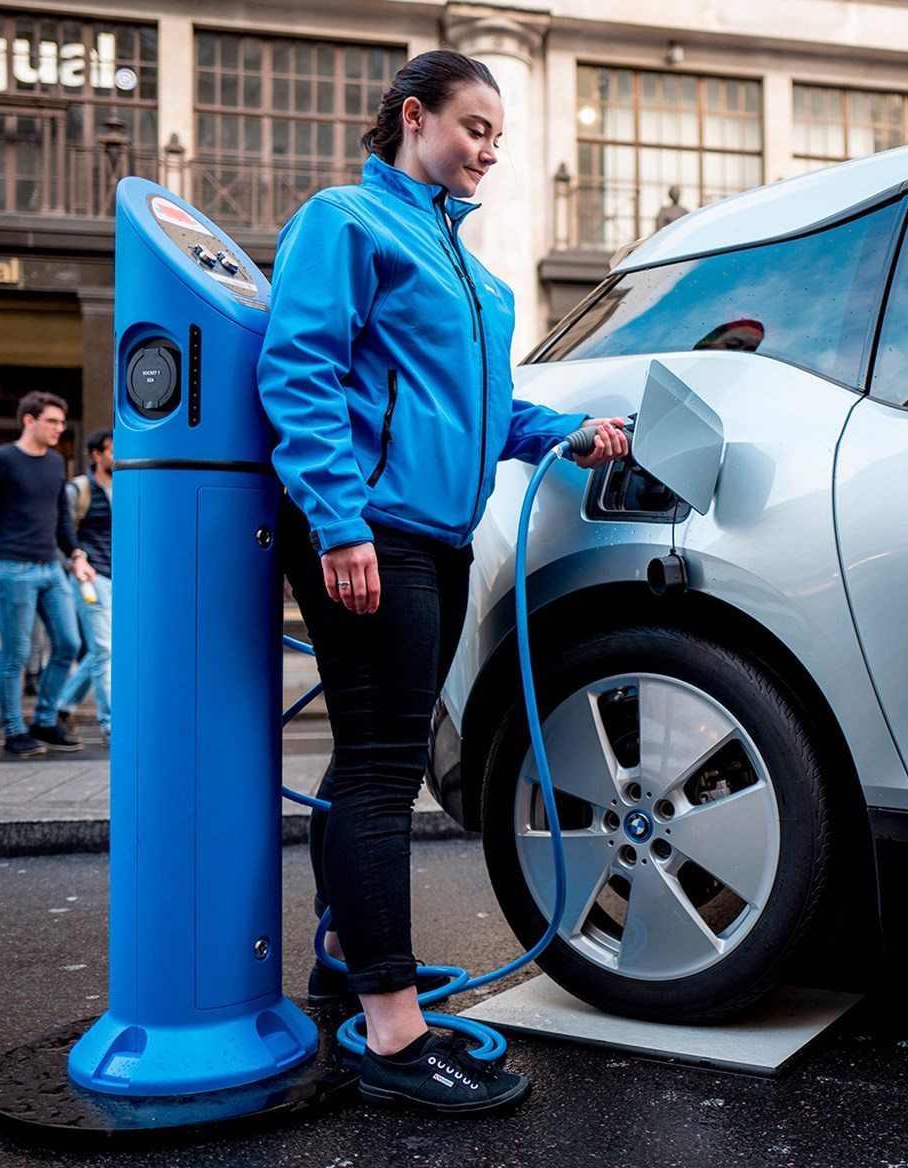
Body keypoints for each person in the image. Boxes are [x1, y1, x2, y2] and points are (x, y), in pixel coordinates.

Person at [257, 50, 629, 1115]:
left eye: (497, 135)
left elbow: (489, 410)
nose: (490, 149)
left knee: (374, 758)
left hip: (436, 536)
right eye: (473, 127)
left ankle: (344, 957)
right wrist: (336, 520)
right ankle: (391, 1031)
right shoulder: (347, 222)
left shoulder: (478, 273)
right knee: (381, 769)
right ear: (412, 118)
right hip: (369, 530)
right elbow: (301, 370)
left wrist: (570, 430)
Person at [0, 391, 95, 756]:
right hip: (12, 568)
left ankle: (44, 721)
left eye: (61, 422)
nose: (59, 428)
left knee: (69, 644)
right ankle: (13, 730)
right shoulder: (0, 460)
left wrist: (75, 554)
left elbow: (61, 519)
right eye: (52, 421)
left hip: (51, 569)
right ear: (29, 420)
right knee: (17, 653)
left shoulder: (56, 462)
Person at [55, 428, 113, 746]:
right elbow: (62, 532)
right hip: (91, 577)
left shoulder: (128, 483)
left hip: (122, 578)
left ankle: (61, 705)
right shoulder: (78, 489)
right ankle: (110, 724)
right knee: (104, 649)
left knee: (103, 651)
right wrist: (75, 564)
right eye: (112, 450)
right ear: (96, 454)